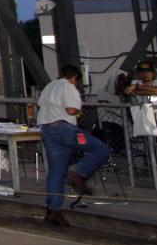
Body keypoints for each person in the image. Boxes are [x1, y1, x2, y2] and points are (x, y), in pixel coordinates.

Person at [38, 64, 109, 226]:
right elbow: (71, 110)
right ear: (75, 79)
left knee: (56, 171)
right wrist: (79, 112)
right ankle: (79, 172)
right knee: (101, 148)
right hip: (65, 129)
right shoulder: (69, 87)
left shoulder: (49, 86)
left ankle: (53, 210)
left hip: (47, 129)